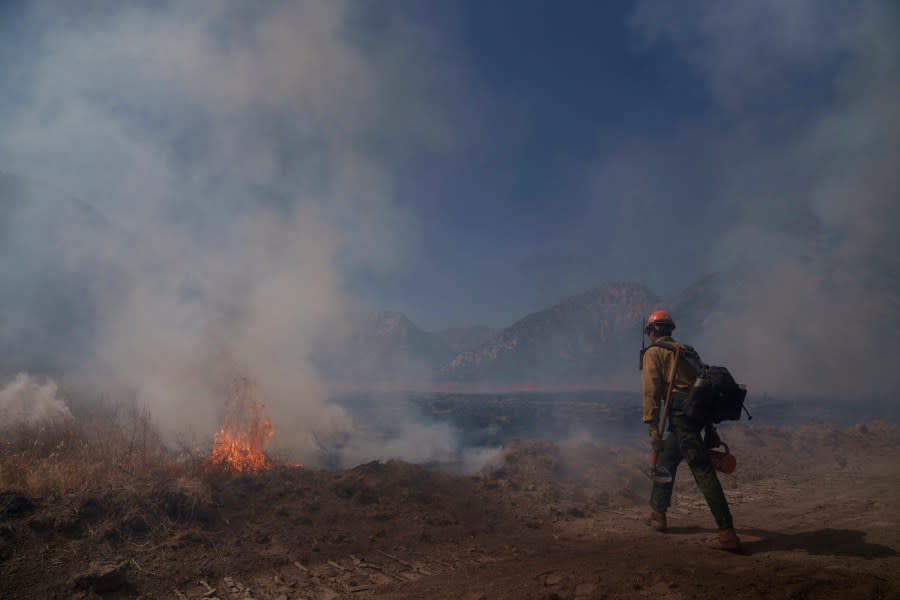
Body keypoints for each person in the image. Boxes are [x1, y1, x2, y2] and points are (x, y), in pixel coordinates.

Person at [641, 309, 741, 552]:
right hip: (694, 416)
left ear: (653, 332)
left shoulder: (654, 352)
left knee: (702, 469)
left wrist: (652, 426)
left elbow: (652, 391)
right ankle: (658, 514)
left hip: (680, 417)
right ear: (670, 330)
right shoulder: (686, 351)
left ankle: (727, 533)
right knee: (666, 461)